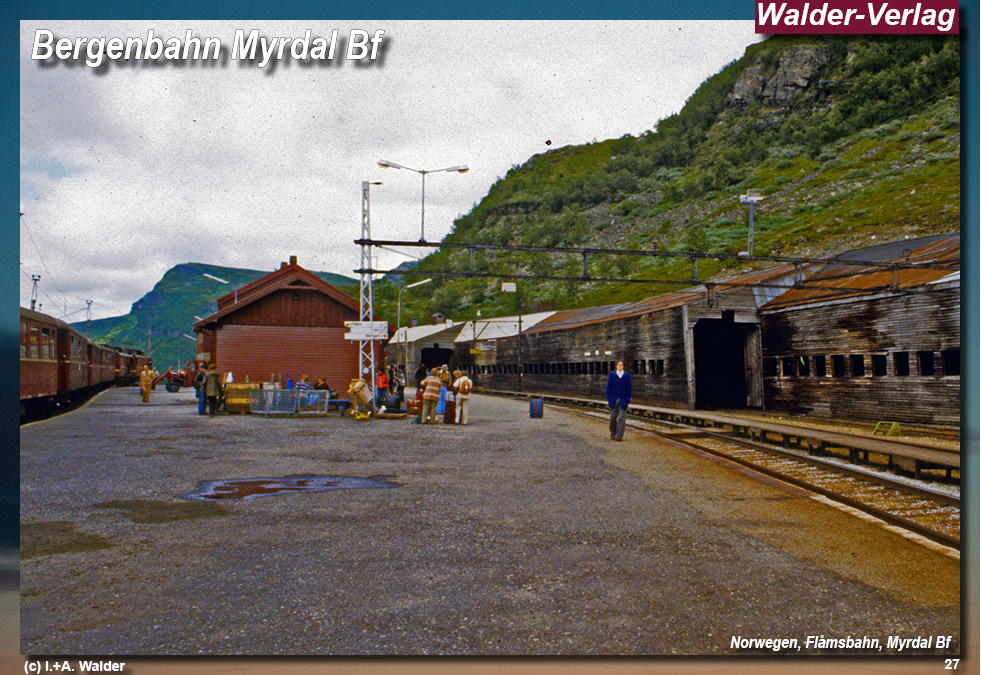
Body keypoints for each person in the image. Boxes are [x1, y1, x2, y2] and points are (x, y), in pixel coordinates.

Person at [606, 360, 632, 441]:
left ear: (623, 366)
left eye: (621, 364)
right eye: (618, 364)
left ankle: (619, 435)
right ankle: (613, 433)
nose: (620, 366)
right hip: (614, 399)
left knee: (621, 418)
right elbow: (608, 387)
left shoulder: (627, 375)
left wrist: (628, 399)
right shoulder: (612, 374)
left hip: (623, 399)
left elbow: (629, 388)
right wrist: (609, 399)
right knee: (613, 417)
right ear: (616, 366)